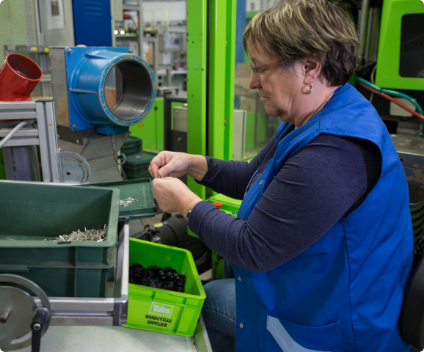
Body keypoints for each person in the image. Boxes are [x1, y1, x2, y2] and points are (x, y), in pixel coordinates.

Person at [149, 0, 413, 351]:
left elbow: (253, 248)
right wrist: (195, 164)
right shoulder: (307, 118)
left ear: (309, 68)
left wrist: (186, 204)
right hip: (307, 285)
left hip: (335, 325)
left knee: (208, 301)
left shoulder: (336, 151)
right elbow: (254, 178)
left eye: (261, 68)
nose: (254, 83)